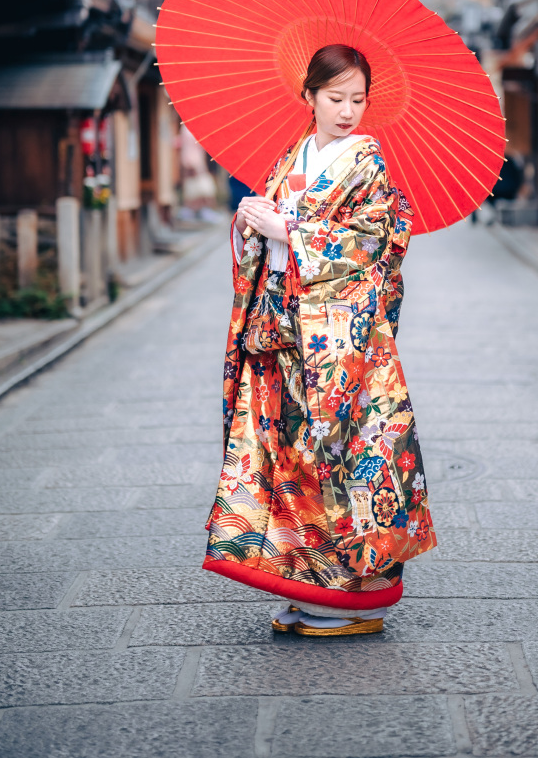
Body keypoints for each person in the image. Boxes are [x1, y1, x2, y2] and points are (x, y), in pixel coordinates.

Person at [203, 43, 436, 636]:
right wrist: (254, 221)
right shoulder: (293, 155)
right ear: (308, 96)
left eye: (358, 99)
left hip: (338, 346)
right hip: (281, 325)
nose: (349, 111)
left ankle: (355, 597)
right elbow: (272, 230)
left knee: (337, 457)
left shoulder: (369, 164)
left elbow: (378, 245)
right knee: (289, 456)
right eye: (335, 98)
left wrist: (293, 230)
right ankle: (308, 586)